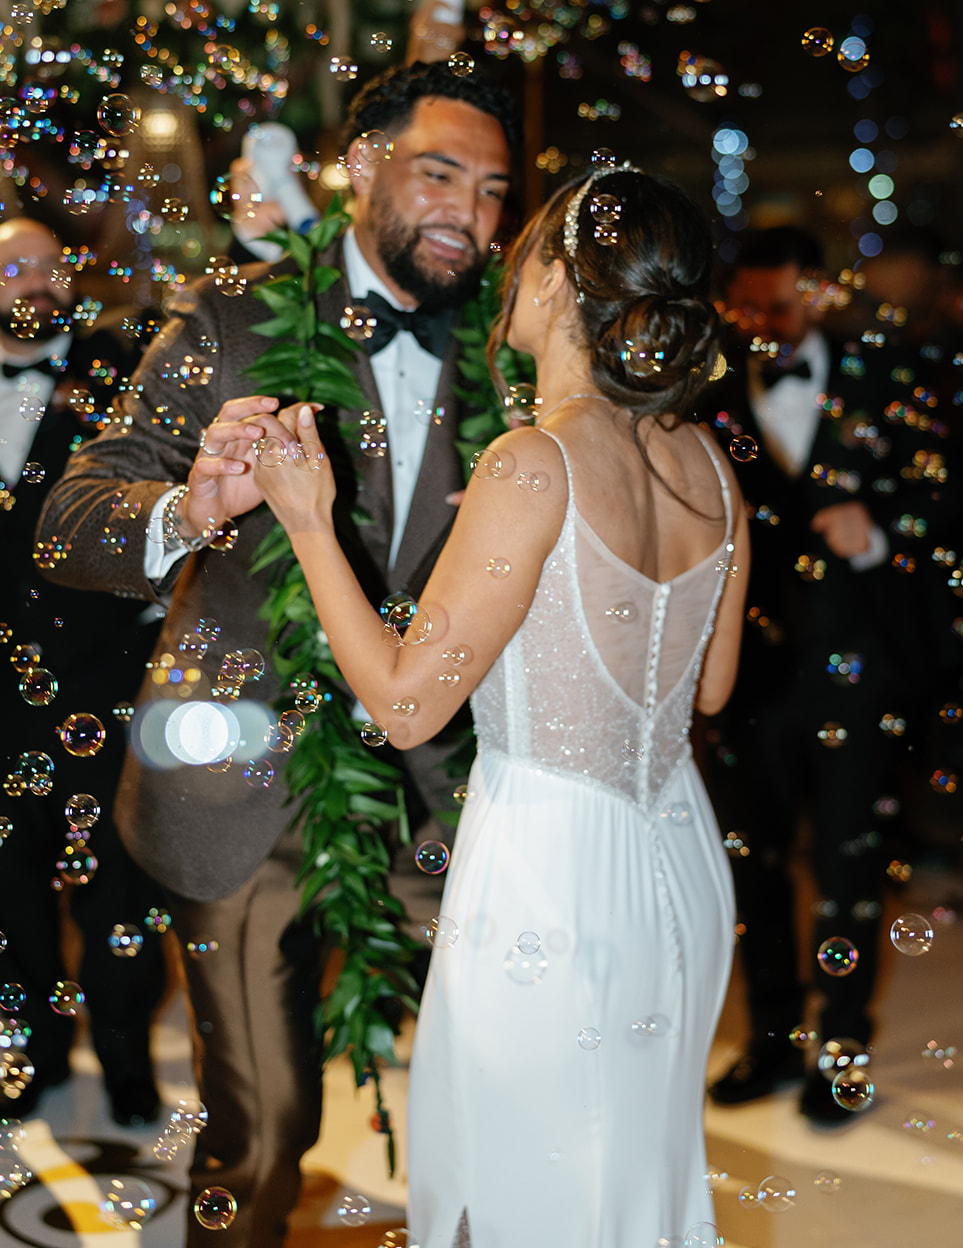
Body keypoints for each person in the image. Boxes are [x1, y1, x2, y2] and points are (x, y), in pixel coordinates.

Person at [38, 60, 520, 1245]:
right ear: (358, 168)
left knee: (502, 1112)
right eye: (438, 174)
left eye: (492, 189)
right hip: (245, 786)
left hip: (447, 791)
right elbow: (70, 519)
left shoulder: (516, 346)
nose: (467, 212)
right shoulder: (228, 320)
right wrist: (191, 508)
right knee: (261, 1131)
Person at [249, 165, 749, 1248]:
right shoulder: (707, 462)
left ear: (560, 278)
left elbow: (403, 707)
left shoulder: (534, 461)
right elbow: (708, 688)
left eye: (520, 253)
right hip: (676, 856)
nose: (500, 273)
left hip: (549, 875)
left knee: (527, 1190)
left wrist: (308, 518)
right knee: (629, 1184)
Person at [0, 217, 166, 1125]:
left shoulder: (120, 387)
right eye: (12, 267)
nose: (36, 281)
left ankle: (127, 1062)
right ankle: (42, 1057)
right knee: (5, 892)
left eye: (51, 266)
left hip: (108, 686)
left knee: (117, 893)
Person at [705, 226, 944, 1122]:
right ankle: (770, 1042)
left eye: (777, 305)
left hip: (859, 669)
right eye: (746, 308)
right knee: (753, 865)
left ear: (813, 293)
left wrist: (876, 532)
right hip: (748, 672)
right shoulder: (709, 392)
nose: (761, 324)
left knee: (849, 865)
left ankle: (840, 1053)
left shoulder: (885, 378)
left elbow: (944, 494)